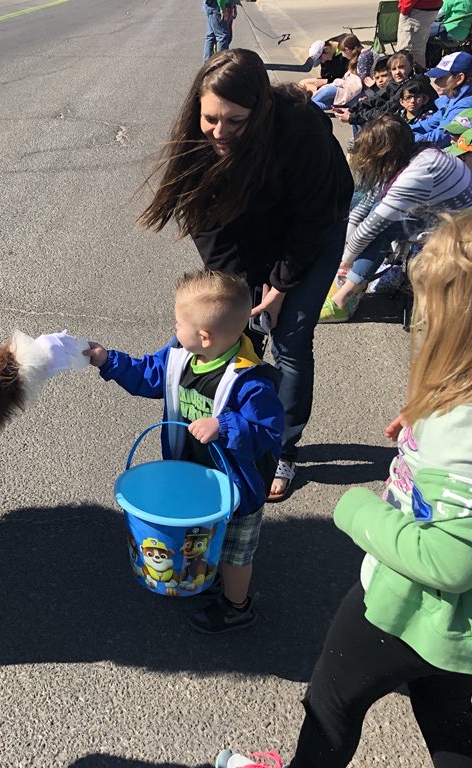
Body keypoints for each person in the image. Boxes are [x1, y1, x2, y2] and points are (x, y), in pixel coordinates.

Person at [215, 199, 472, 768]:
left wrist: (356, 510)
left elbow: (449, 562)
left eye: (433, 306)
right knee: (446, 710)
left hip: (407, 607)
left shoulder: (466, 432)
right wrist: (422, 416)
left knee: (331, 705)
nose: (423, 316)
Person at [139, 48, 353, 501]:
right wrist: (239, 295)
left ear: (263, 109)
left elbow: (313, 221)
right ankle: (242, 425)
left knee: (291, 336)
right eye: (211, 118)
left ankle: (283, 448)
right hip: (247, 226)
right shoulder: (202, 140)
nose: (220, 132)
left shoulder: (300, 131)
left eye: (235, 122)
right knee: (241, 332)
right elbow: (208, 226)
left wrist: (279, 287)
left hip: (312, 228)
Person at [86, 270, 283, 632]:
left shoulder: (249, 381)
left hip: (237, 486)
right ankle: (201, 573)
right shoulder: (180, 356)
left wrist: (223, 426)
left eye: (179, 323)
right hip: (192, 471)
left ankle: (236, 605)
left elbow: (269, 433)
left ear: (204, 336)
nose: (174, 328)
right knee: (198, 534)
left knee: (236, 554)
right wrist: (107, 360)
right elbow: (148, 374)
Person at [319, 115, 472, 323]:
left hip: (463, 230)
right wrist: (347, 247)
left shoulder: (418, 173)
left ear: (382, 154)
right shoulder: (415, 155)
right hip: (444, 216)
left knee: (382, 230)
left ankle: (342, 300)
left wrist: (345, 262)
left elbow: (371, 227)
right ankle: (354, 282)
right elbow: (366, 204)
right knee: (369, 216)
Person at [412, 51, 472, 146]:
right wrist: (401, 128)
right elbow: (429, 124)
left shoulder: (467, 105)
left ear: (459, 78)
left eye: (441, 77)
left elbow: (441, 139)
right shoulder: (452, 98)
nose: (436, 82)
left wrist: (406, 138)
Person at [310, 35, 377, 111]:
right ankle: (308, 108)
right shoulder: (360, 55)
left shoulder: (364, 57)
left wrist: (341, 83)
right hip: (356, 90)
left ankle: (306, 107)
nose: (342, 55)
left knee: (328, 91)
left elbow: (360, 83)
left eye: (342, 52)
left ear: (347, 50)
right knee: (327, 100)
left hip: (364, 94)